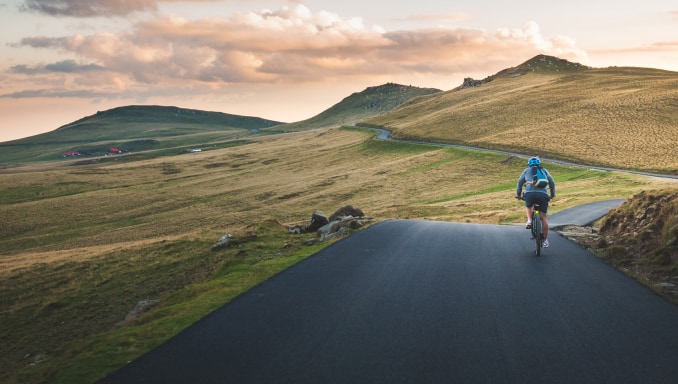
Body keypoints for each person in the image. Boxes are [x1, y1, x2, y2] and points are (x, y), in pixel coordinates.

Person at [515, 157, 556, 248]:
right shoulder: (544, 170)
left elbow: (520, 183)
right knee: (543, 217)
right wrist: (552, 194)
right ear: (539, 163)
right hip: (543, 195)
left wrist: (518, 194)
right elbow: (552, 182)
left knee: (529, 205)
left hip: (530, 194)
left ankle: (529, 221)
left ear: (529, 163)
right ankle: (545, 240)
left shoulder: (526, 170)